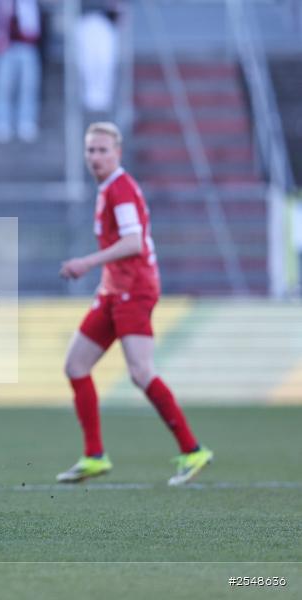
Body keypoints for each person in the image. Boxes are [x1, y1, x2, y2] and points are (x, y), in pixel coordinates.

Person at [57, 122, 213, 486]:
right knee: (76, 365)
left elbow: (134, 243)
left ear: (118, 153)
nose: (95, 156)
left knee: (141, 372)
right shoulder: (109, 189)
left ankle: (193, 449)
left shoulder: (121, 190)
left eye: (102, 150)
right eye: (90, 150)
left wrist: (87, 262)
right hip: (114, 291)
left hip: (135, 290)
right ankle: (94, 455)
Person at [0, 0, 41, 143]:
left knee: (28, 86)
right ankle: (1, 121)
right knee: (2, 86)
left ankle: (26, 121)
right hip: (4, 46)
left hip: (27, 45)